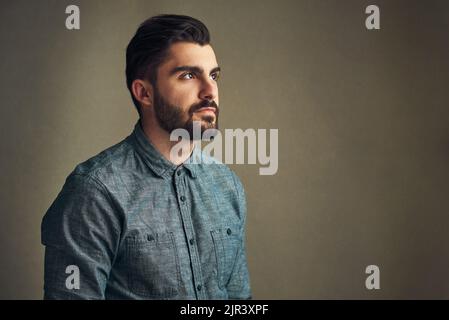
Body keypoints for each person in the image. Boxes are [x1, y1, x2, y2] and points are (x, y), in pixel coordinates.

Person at [41, 14, 252, 299]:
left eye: (213, 75)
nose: (209, 90)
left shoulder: (227, 185)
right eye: (188, 75)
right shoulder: (94, 193)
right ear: (144, 92)